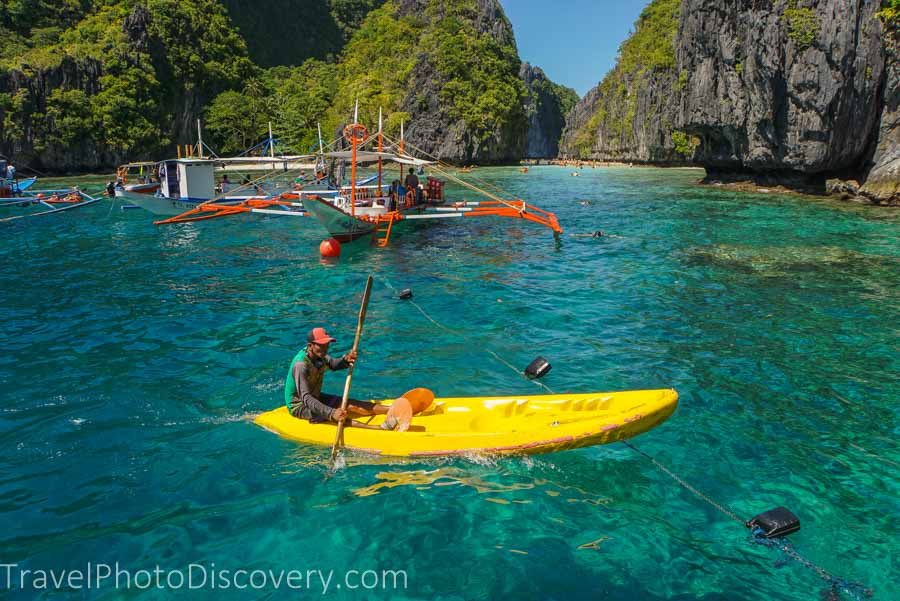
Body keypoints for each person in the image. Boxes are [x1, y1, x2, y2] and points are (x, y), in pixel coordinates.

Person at [285, 327, 389, 427]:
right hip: (300, 405)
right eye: (321, 345)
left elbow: (333, 364)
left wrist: (346, 360)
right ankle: (380, 428)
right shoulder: (301, 365)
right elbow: (306, 398)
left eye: (326, 344)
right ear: (310, 345)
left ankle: (391, 409)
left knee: (352, 404)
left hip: (315, 395)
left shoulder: (319, 355)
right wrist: (332, 413)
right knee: (341, 417)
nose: (325, 348)